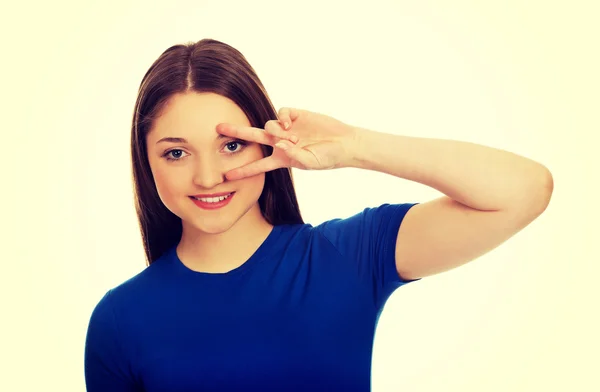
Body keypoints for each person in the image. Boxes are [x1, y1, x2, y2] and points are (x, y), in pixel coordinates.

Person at [83, 38, 553, 391]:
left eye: (231, 145)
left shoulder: (348, 256)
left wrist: (355, 146)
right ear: (146, 162)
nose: (209, 178)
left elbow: (524, 190)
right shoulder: (120, 321)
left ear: (267, 140)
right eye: (176, 153)